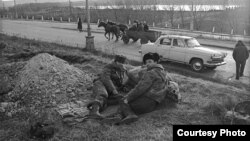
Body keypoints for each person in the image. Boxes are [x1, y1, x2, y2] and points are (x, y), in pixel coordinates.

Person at [103, 53, 173, 124]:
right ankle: (118, 117)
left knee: (123, 101)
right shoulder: (163, 72)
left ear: (156, 62)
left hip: (145, 102)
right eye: (146, 62)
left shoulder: (150, 73)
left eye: (149, 61)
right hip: (154, 104)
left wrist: (128, 98)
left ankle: (130, 115)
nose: (147, 64)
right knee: (125, 104)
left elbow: (140, 88)